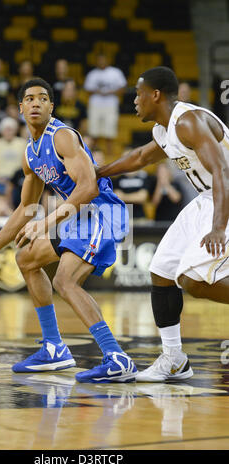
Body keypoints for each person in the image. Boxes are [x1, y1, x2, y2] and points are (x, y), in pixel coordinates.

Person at [0, 77, 137, 383]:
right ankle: (54, 348)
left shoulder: (61, 137)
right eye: (30, 98)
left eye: (43, 98)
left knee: (65, 280)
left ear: (51, 106)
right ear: (20, 108)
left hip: (101, 211)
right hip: (74, 216)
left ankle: (117, 358)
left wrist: (45, 222)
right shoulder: (30, 154)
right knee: (26, 260)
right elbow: (23, 209)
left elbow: (87, 188)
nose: (36, 103)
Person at [97, 66, 229, 382]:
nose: (135, 102)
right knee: (161, 271)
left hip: (225, 194)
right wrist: (99, 172)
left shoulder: (188, 121)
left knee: (193, 280)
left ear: (155, 95)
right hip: (206, 197)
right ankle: (174, 360)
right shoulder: (164, 129)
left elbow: (223, 171)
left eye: (139, 94)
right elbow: (141, 157)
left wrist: (218, 226)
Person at [84, 53, 127, 156]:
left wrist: (110, 92)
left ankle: (109, 155)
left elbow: (122, 88)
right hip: (95, 105)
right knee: (94, 132)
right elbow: (87, 89)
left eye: (103, 60)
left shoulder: (115, 72)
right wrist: (97, 92)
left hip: (110, 105)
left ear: (108, 60)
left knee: (110, 132)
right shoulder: (92, 74)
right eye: (99, 60)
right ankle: (92, 154)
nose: (101, 62)